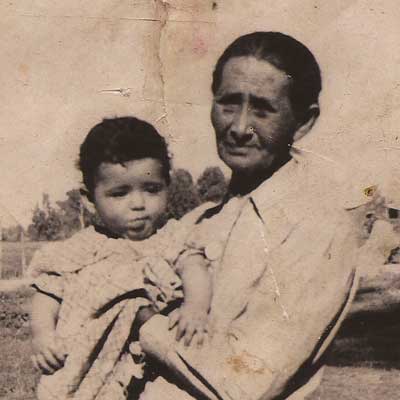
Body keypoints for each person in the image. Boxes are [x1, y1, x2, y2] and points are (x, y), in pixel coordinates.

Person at [136, 32, 363, 400]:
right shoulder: (197, 222)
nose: (240, 127)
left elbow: (246, 383)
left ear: (303, 123)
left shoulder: (321, 232)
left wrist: (144, 323)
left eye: (262, 109)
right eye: (228, 103)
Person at [29, 116, 212, 400]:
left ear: (167, 184)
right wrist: (43, 336)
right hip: (87, 365)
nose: (138, 204)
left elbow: (194, 267)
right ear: (90, 199)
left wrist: (196, 307)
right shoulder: (77, 249)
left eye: (152, 189)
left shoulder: (170, 237)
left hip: (149, 368)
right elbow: (47, 294)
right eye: (119, 193)